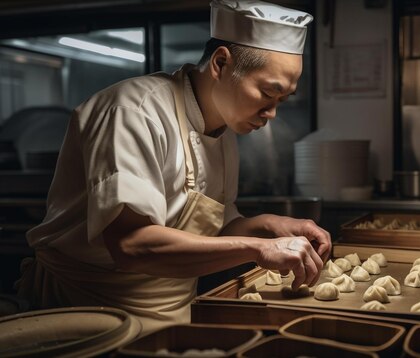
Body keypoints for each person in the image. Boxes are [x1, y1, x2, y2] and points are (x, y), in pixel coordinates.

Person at [16, 0, 330, 333]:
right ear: (221, 64)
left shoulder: (223, 128)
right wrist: (260, 248)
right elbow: (131, 245)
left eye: (282, 100)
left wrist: (268, 226)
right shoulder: (134, 112)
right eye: (268, 93)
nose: (272, 113)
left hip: (175, 313)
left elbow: (212, 233)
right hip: (90, 309)